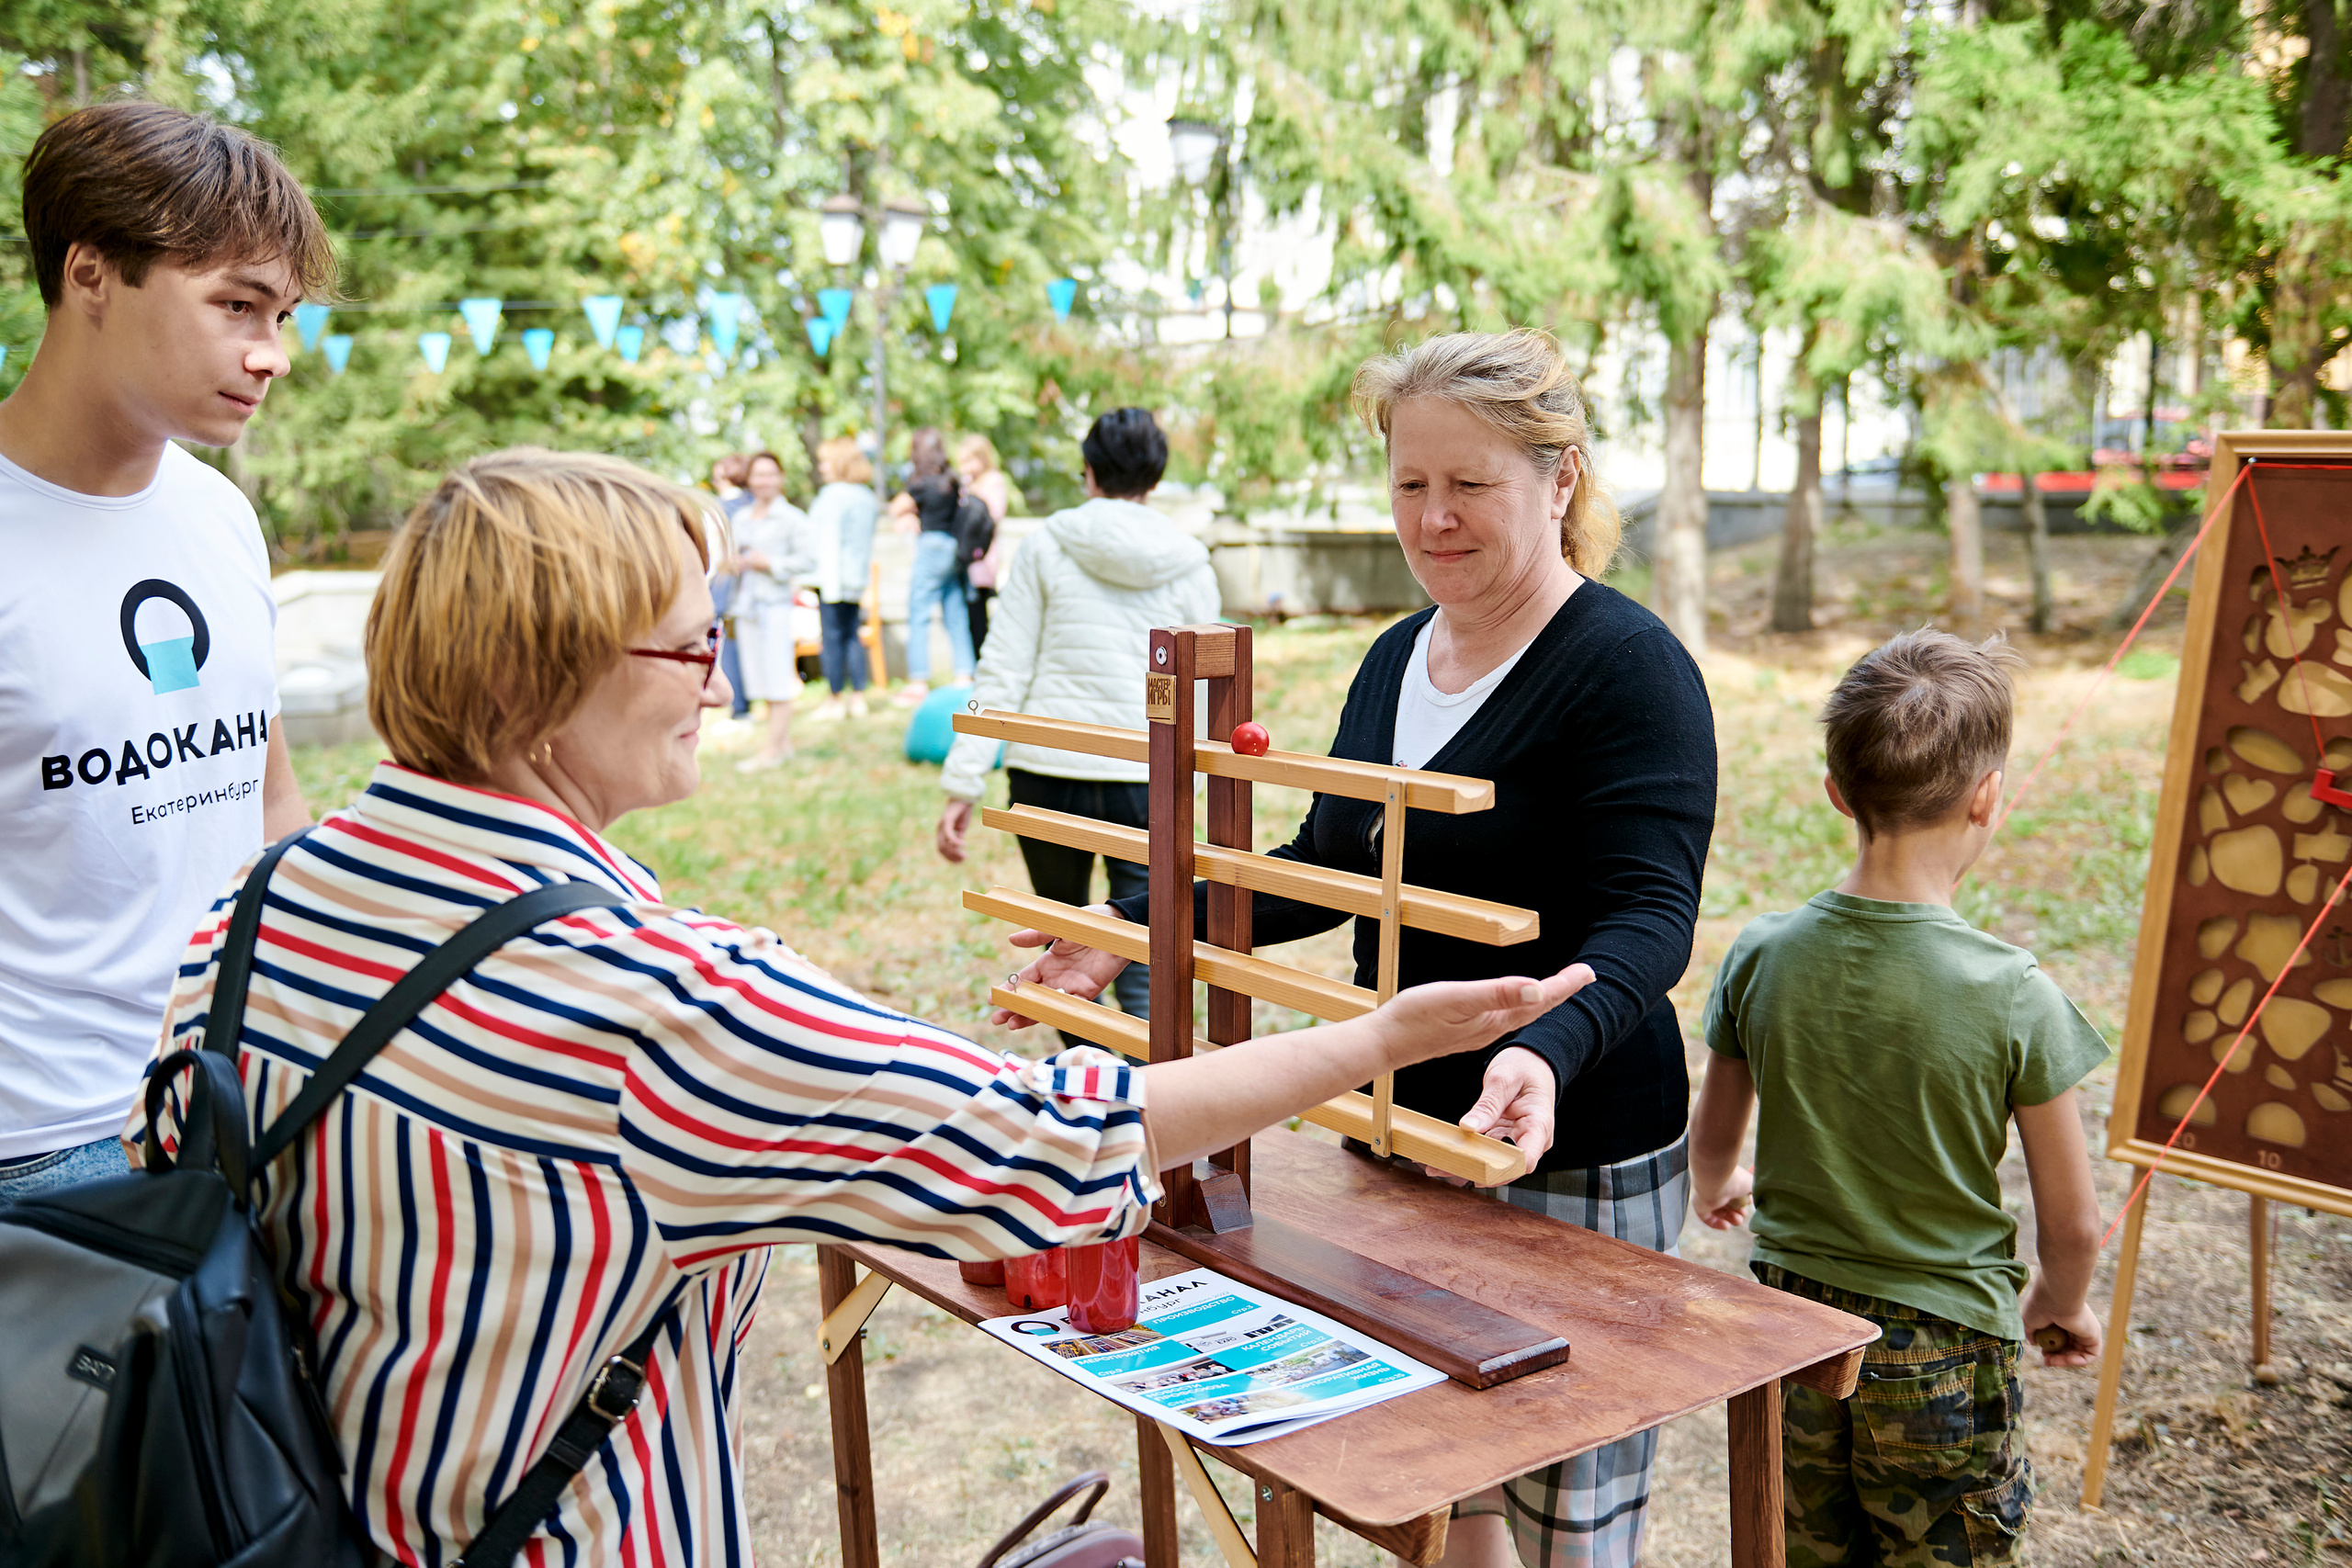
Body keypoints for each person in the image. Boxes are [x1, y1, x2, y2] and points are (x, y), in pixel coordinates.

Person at [130, 446, 1593, 1566]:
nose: (720, 684)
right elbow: (1053, 1141)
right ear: (541, 678)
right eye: (690, 645)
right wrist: (1378, 1037)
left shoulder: (259, 912)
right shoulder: (653, 1006)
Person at [1001, 333, 1718, 1568]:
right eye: (1410, 484)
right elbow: (1322, 867)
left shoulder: (1627, 667)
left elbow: (1651, 919)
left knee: (1569, 1503)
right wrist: (1128, 925)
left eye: (1470, 484)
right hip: (1398, 1127)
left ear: (1559, 479)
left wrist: (1547, 1050)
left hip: (1569, 1138)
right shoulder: (1396, 657)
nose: (1433, 518)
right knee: (1444, 1481)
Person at [1687, 629, 2107, 1568]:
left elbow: (1711, 1137)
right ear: (1986, 796)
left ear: (1836, 793)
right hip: (1943, 1348)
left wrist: (1719, 1184)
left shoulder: (1761, 953)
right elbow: (2074, 1224)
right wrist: (2058, 1300)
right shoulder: (2013, 991)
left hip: (1791, 1335)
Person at [0, 102, 319, 1211]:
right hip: (46, 1154)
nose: (272, 355)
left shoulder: (218, 514)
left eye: (281, 315)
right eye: (237, 305)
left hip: (233, 1102)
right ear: (91, 272)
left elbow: (268, 799)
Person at [936, 408, 1218, 1038]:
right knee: (1143, 949)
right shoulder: (1189, 561)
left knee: (1063, 949)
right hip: (1146, 777)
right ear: (1156, 475)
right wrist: (1191, 785)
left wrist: (963, 779)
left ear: (1088, 471)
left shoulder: (1045, 544)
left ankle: (1092, 1084)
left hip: (1047, 771)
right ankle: (1153, 1088)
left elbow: (1001, 669)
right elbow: (1200, 682)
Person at [729, 450, 809, 771]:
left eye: (770, 474)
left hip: (775, 606)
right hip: (746, 607)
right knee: (759, 677)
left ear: (780, 478)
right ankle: (781, 743)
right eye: (758, 474)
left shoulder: (792, 518)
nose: (764, 481)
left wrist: (770, 564)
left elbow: (808, 560)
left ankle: (771, 750)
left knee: (777, 676)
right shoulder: (740, 518)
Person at [890, 425, 973, 701]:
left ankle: (918, 680)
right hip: (953, 548)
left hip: (930, 547)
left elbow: (895, 507)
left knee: (918, 613)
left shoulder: (920, 483)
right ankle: (964, 676)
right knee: (955, 612)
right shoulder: (952, 480)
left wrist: (909, 515)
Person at [804, 435, 880, 723]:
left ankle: (834, 699)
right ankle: (858, 697)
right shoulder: (867, 497)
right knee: (852, 636)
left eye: (825, 462)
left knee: (832, 639)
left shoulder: (833, 496)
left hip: (832, 580)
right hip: (855, 580)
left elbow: (828, 541)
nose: (821, 467)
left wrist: (828, 585)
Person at [707, 452, 754, 720]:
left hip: (723, 584)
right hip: (752, 584)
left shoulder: (716, 508)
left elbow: (712, 552)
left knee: (725, 644)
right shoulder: (754, 504)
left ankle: (739, 707)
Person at [957, 432, 1013, 652]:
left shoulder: (992, 482)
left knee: (978, 613)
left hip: (982, 556)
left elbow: (992, 515)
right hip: (964, 558)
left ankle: (982, 657)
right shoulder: (966, 483)